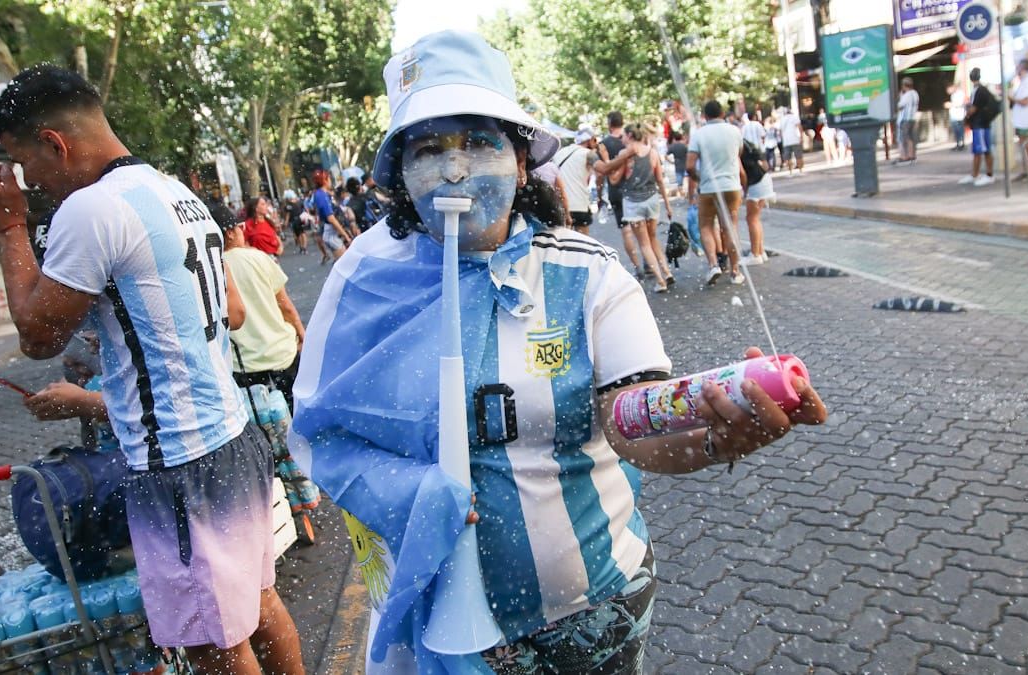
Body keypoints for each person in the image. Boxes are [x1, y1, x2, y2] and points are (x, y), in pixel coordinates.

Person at [288, 30, 827, 674]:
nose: (455, 169)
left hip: (594, 615)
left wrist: (713, 438)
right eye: (429, 149)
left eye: (479, 142)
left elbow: (631, 428)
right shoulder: (361, 277)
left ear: (520, 164)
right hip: (433, 624)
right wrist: (411, 495)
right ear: (399, 172)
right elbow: (322, 434)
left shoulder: (591, 275)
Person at [0, 64, 301, 674]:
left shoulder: (90, 211)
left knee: (212, 643)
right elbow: (236, 312)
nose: (30, 183)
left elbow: (37, 337)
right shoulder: (177, 194)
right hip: (231, 438)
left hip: (175, 463)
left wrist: (9, 227)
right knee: (258, 601)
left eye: (25, 164)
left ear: (53, 143)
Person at [217, 203, 305, 413]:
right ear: (229, 234)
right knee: (298, 408)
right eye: (239, 228)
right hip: (281, 352)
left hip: (244, 364)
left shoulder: (214, 268)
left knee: (264, 418)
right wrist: (301, 333)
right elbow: (286, 306)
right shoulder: (257, 257)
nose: (242, 232)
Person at [598, 122, 674, 293]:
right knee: (653, 238)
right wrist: (668, 205)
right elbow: (660, 180)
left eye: (624, 135)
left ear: (630, 136)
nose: (622, 138)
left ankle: (660, 281)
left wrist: (607, 160)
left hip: (633, 202)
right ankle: (667, 272)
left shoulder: (625, 154)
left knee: (644, 244)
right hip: (652, 200)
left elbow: (614, 180)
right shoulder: (653, 153)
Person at [687, 99, 746, 286]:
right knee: (731, 228)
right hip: (732, 185)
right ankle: (735, 271)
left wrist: (698, 177)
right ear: (722, 113)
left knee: (705, 225)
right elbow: (738, 155)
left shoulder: (699, 135)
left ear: (705, 116)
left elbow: (689, 165)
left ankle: (713, 264)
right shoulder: (734, 131)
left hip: (709, 187)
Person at [597, 111, 645, 277]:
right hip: (637, 188)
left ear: (609, 123)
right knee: (641, 228)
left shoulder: (604, 144)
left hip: (616, 190)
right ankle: (649, 261)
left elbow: (601, 172)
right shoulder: (633, 139)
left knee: (626, 230)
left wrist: (599, 195)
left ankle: (638, 266)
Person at [552, 127, 601, 237]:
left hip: (561, 205)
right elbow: (604, 169)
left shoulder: (560, 152)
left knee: (563, 243)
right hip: (580, 206)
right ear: (590, 140)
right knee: (583, 244)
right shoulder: (588, 154)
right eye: (595, 140)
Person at [960, 68, 999, 187]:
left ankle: (985, 174)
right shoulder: (980, 90)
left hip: (980, 124)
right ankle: (980, 174)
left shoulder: (979, 91)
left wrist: (966, 116)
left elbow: (973, 108)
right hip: (981, 124)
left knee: (982, 150)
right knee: (983, 150)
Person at [311, 170, 352, 263]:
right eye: (329, 178)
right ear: (324, 180)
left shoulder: (323, 194)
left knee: (344, 263)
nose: (330, 181)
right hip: (331, 232)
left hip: (332, 231)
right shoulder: (321, 195)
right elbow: (331, 218)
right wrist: (345, 235)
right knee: (345, 263)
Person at [895, 77, 919, 164]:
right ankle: (912, 155)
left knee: (903, 138)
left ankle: (904, 156)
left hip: (904, 119)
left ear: (904, 85)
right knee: (911, 138)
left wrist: (900, 97)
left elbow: (900, 106)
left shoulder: (907, 95)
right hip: (912, 118)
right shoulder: (915, 93)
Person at [779, 106, 804, 175]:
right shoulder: (794, 117)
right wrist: (801, 137)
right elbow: (799, 127)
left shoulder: (782, 119)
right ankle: (800, 171)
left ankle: (790, 172)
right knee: (798, 156)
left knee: (788, 157)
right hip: (795, 139)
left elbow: (780, 131)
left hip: (786, 141)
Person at [282, 189, 308, 254]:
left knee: (298, 234)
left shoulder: (288, 206)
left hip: (294, 221)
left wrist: (285, 223)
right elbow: (305, 210)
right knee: (303, 233)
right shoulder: (299, 202)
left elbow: (288, 215)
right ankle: (304, 247)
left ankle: (301, 247)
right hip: (301, 219)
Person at [947, 84, 967, 151]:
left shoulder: (960, 93)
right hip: (954, 115)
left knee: (960, 130)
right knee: (956, 131)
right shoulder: (953, 95)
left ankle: (962, 144)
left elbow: (961, 103)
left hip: (960, 115)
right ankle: (958, 144)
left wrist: (951, 105)